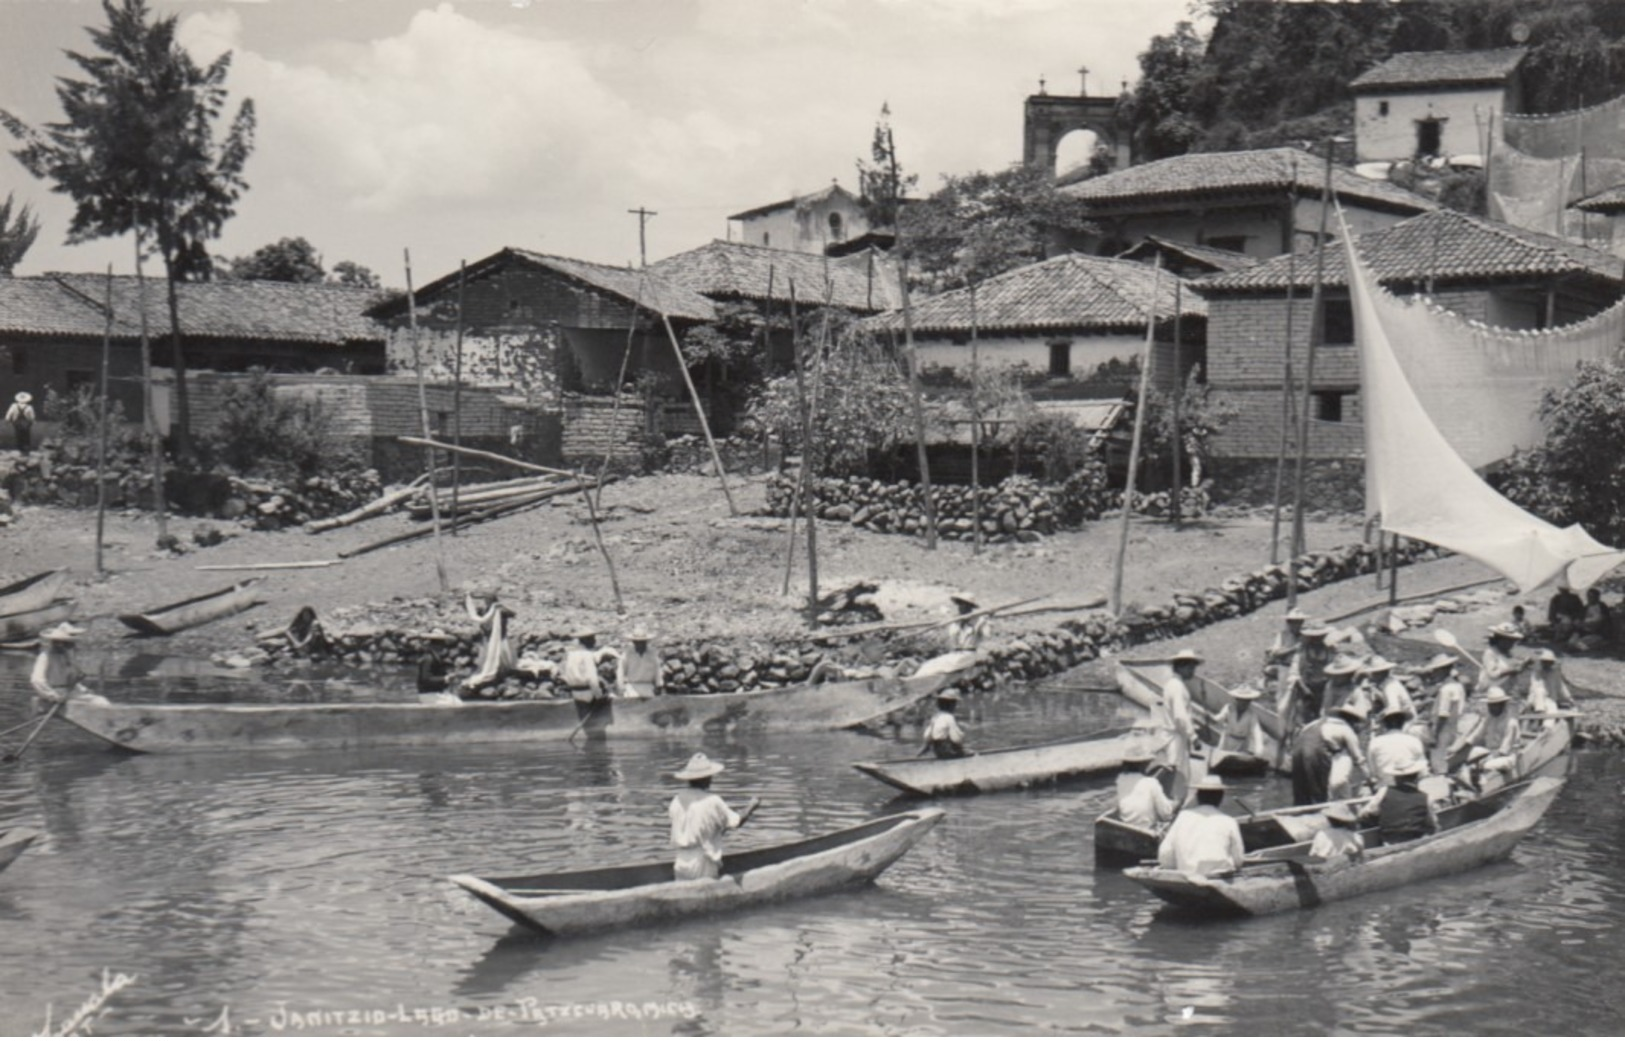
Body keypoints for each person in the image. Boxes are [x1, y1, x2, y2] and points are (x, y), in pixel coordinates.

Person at [668, 752, 759, 881]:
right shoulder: (712, 801)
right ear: (707, 778)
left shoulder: (677, 799)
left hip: (680, 862)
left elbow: (695, 828)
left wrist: (716, 831)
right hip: (702, 862)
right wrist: (752, 806)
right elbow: (737, 822)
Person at [1156, 777, 1245, 877]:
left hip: (1188, 875)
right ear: (1221, 798)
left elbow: (1165, 856)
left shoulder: (1182, 817)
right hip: (1219, 876)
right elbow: (1239, 861)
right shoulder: (1229, 821)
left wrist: (1175, 866)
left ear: (1198, 796)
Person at [1289, 703, 1370, 806]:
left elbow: (1298, 736)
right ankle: (1322, 811)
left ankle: (1299, 813)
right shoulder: (1345, 728)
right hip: (1317, 752)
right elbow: (1359, 759)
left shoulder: (1313, 723)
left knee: (1301, 792)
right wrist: (1370, 779)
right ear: (1351, 720)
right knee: (1322, 793)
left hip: (1296, 750)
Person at [1359, 760, 1437, 845]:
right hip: (1417, 840)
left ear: (1396, 778)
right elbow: (1433, 824)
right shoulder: (1426, 798)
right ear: (1416, 777)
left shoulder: (1384, 792)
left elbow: (1365, 813)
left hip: (1390, 842)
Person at [1279, 623, 1333, 730]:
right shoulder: (1302, 652)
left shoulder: (1329, 651)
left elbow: (1333, 670)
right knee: (1290, 712)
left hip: (1324, 687)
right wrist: (1304, 688)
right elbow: (1295, 672)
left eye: (1320, 637)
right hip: (1304, 688)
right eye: (1315, 637)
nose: (1317, 640)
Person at [562, 628, 620, 716]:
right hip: (588, 694)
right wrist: (599, 697)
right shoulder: (587, 655)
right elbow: (592, 679)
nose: (595, 641)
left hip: (575, 693)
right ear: (587, 640)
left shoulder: (571, 655)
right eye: (593, 639)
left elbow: (567, 675)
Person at [1427, 654, 1469, 774]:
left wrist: (1435, 735)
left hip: (1444, 729)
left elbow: (1443, 714)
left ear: (1443, 670)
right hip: (1455, 726)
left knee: (1439, 760)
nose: (1433, 673)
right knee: (1449, 757)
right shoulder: (1458, 686)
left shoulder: (1446, 690)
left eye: (1435, 670)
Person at [1116, 748, 1175, 832]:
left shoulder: (1120, 779)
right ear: (1144, 764)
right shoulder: (1151, 783)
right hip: (1146, 829)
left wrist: (1157, 767)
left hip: (1126, 826)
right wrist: (1174, 805)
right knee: (1172, 807)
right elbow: (1166, 815)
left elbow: (1140, 780)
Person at [1367, 708, 1427, 787]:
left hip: (1384, 788)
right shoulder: (1414, 741)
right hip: (1409, 787)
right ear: (1403, 724)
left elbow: (1373, 772)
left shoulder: (1375, 742)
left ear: (1384, 724)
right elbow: (1423, 771)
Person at [30, 621, 87, 702]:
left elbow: (72, 681)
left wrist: (82, 688)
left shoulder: (68, 656)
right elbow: (37, 680)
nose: (72, 646)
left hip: (71, 693)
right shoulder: (45, 657)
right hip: (55, 694)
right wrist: (52, 695)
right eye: (68, 643)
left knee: (101, 702)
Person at [1212, 684, 1268, 764]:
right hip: (1226, 741)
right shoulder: (1229, 708)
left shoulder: (1252, 715)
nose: (1244, 703)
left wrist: (1259, 752)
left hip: (1241, 745)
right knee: (1221, 762)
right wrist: (1212, 719)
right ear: (1237, 699)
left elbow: (1257, 732)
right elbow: (1219, 717)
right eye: (1241, 700)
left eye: (1247, 701)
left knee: (1236, 765)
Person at [1461, 687, 1518, 763]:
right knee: (1474, 752)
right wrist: (1462, 747)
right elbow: (1477, 734)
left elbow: (1504, 750)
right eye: (1490, 705)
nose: (1491, 708)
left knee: (1488, 765)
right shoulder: (1489, 718)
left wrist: (1488, 759)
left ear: (1502, 705)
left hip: (1507, 756)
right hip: (1490, 752)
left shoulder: (1511, 723)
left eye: (1494, 705)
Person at [1476, 623, 1529, 697]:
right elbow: (1493, 674)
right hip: (1491, 690)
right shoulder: (1490, 653)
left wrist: (1523, 665)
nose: (1511, 644)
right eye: (1509, 641)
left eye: (1512, 641)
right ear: (1500, 640)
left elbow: (1515, 669)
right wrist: (1511, 670)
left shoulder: (1509, 653)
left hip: (1507, 689)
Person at [617, 626, 663, 699]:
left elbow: (657, 670)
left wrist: (659, 685)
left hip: (648, 688)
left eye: (643, 642)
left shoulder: (652, 653)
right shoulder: (627, 653)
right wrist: (621, 687)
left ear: (646, 642)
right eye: (638, 642)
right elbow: (621, 671)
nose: (640, 644)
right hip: (632, 689)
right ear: (634, 642)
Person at [919, 691, 968, 759]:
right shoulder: (949, 717)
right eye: (955, 704)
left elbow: (927, 736)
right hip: (947, 750)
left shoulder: (935, 717)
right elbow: (956, 738)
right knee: (958, 737)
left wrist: (925, 748)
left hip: (937, 751)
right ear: (951, 705)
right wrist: (962, 749)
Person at [1526, 649, 1573, 718]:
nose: (1547, 664)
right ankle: (1539, 710)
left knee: (1552, 712)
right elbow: (1535, 687)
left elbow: (1561, 687)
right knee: (1540, 691)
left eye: (1549, 662)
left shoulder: (1555, 674)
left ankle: (1547, 727)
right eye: (1545, 662)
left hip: (1550, 699)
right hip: (1536, 699)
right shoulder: (1536, 673)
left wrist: (1569, 699)